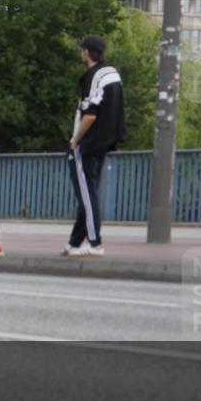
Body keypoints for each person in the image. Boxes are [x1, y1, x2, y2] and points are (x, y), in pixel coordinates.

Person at [63, 35, 126, 258]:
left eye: (83, 50)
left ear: (87, 52)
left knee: (88, 196)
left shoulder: (92, 76)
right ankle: (73, 243)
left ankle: (95, 242)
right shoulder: (112, 73)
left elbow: (90, 115)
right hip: (105, 140)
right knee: (87, 194)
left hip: (88, 142)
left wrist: (75, 139)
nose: (81, 53)